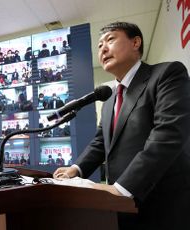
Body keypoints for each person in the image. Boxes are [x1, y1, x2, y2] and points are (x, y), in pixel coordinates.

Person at [53, 21, 190, 230]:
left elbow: (167, 135)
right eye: (99, 45)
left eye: (110, 39)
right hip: (121, 205)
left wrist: (122, 187)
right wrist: (75, 169)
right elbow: (100, 142)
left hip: (163, 203)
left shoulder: (166, 74)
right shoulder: (109, 100)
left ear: (136, 42)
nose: (103, 49)